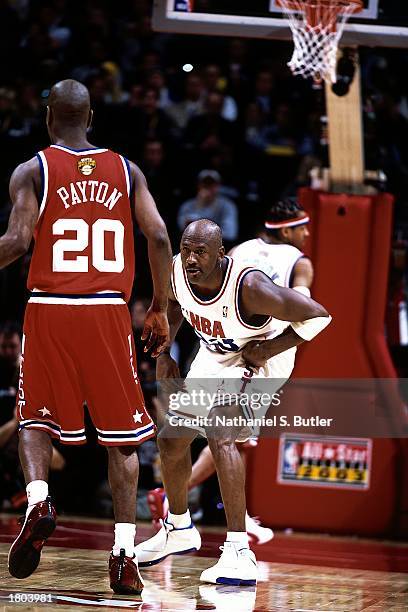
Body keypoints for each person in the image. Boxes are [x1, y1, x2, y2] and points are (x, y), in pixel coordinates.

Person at [0, 79, 172, 595]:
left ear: (49, 117)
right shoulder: (128, 170)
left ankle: (37, 499)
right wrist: (160, 307)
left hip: (50, 308)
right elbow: (160, 236)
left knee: (33, 417)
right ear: (91, 116)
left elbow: (16, 241)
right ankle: (123, 553)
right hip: (107, 312)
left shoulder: (33, 170)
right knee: (121, 437)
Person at [135, 219, 331, 586]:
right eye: (187, 249)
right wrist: (165, 352)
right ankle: (178, 527)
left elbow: (318, 314)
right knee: (171, 439)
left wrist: (270, 347)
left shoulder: (251, 287)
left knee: (218, 432)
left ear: (221, 254)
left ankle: (240, 551)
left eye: (201, 252)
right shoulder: (177, 269)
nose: (191, 259)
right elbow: (174, 304)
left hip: (259, 358)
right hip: (215, 355)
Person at [177, 169, 238, 244]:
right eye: (205, 184)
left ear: (218, 186)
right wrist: (200, 205)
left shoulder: (228, 206)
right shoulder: (187, 205)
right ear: (198, 185)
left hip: (218, 248)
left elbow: (230, 234)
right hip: (192, 246)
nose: (208, 188)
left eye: (211, 184)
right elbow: (183, 230)